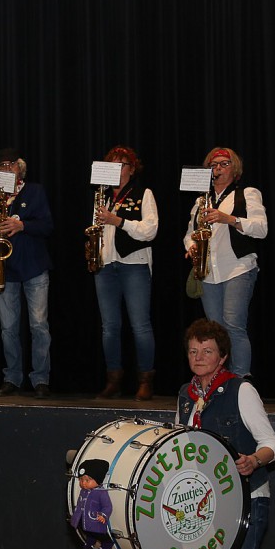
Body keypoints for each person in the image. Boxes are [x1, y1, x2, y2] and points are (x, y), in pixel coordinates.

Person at [176, 318, 275, 549]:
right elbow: (178, 444)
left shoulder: (241, 390)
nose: (199, 357)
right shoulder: (185, 394)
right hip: (199, 503)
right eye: (193, 351)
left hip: (247, 499)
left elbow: (271, 444)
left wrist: (254, 460)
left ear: (222, 357)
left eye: (207, 351)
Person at [0, 147, 54, 398]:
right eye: (2, 166)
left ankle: (40, 379)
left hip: (34, 267)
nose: (7, 168)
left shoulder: (35, 191)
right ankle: (12, 377)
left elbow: (48, 226)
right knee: (8, 328)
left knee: (39, 326)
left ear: (21, 168)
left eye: (11, 164)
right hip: (5, 269)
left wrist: (23, 225)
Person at [183, 147, 267, 378]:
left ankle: (241, 380)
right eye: (213, 165)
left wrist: (227, 218)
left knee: (233, 326)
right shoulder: (201, 201)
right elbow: (190, 233)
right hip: (208, 271)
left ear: (235, 169)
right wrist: (191, 245)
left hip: (237, 267)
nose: (218, 169)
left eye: (224, 164)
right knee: (215, 332)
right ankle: (219, 381)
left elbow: (261, 229)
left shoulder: (248, 193)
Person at [90, 145, 159, 400]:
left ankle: (145, 380)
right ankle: (114, 380)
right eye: (113, 165)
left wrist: (118, 221)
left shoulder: (144, 193)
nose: (117, 170)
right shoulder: (102, 197)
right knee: (109, 327)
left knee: (140, 325)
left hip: (134, 264)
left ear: (132, 170)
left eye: (122, 165)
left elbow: (150, 230)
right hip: (106, 265)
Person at [70, 459, 114, 549]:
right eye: (81, 480)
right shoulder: (83, 491)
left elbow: (107, 506)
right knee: (84, 528)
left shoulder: (101, 493)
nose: (83, 483)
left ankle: (107, 543)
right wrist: (76, 513)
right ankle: (91, 539)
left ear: (97, 480)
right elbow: (80, 503)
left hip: (95, 519)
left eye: (87, 480)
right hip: (84, 517)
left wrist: (103, 515)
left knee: (98, 532)